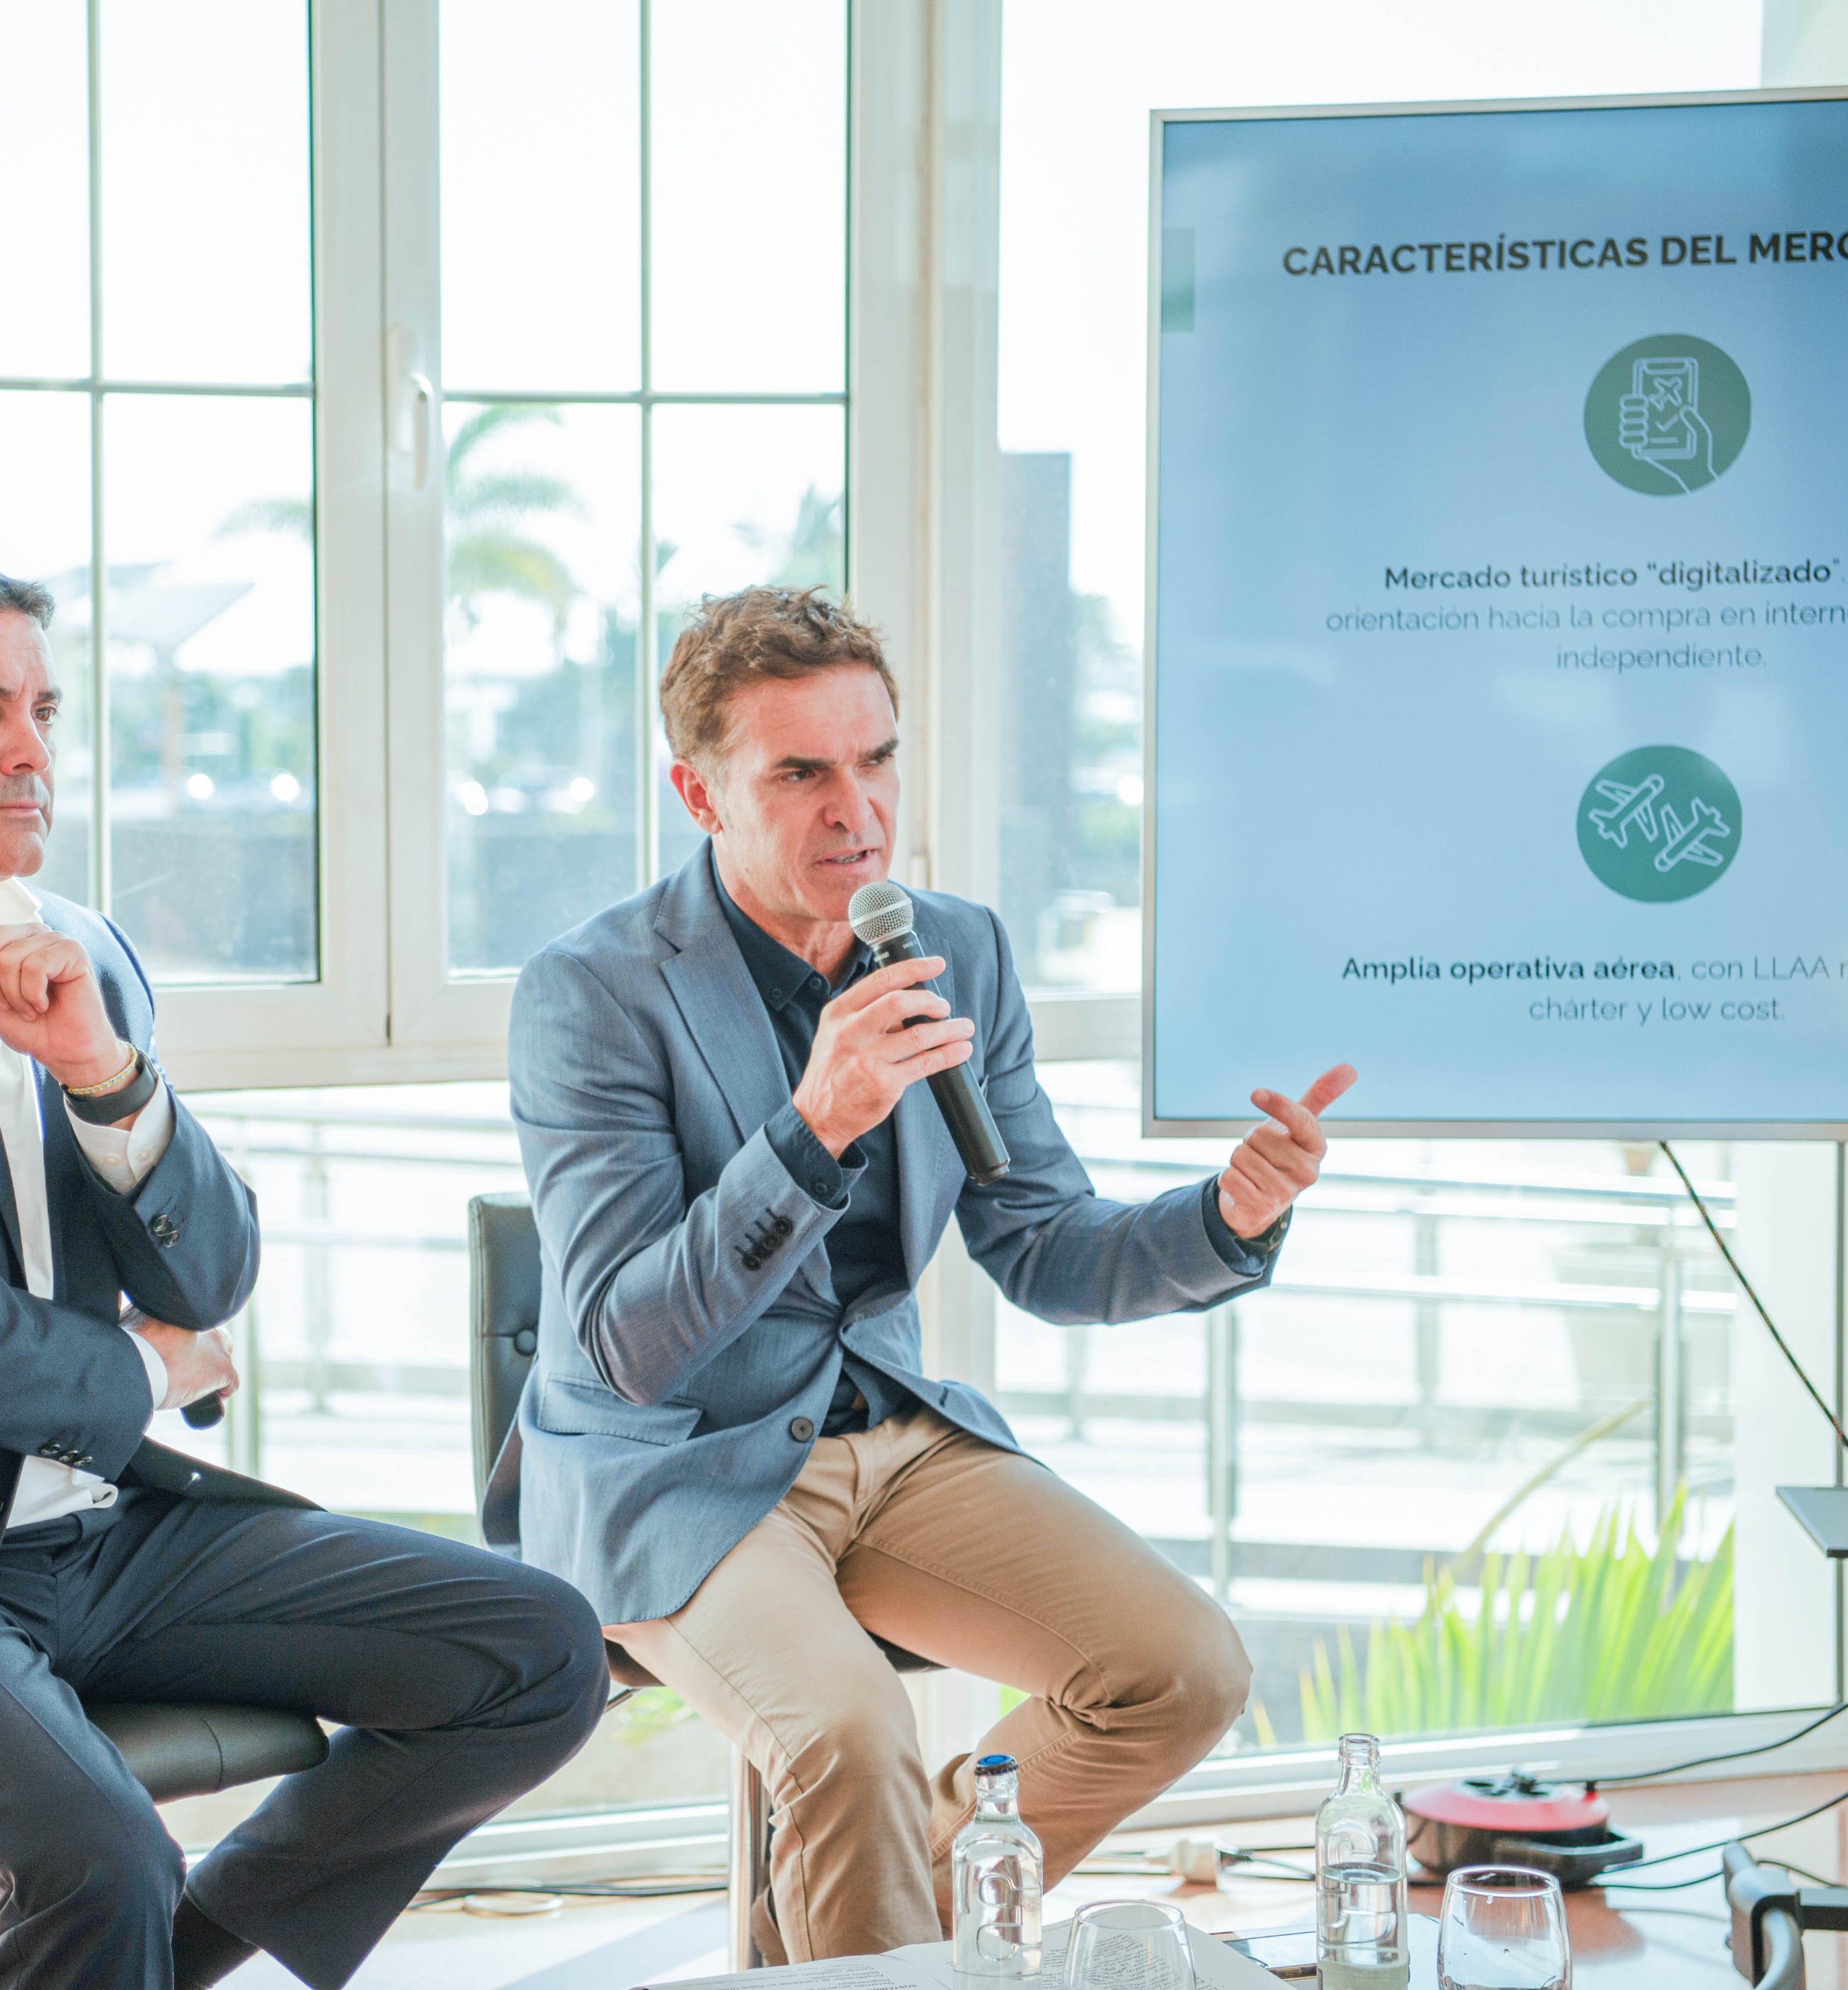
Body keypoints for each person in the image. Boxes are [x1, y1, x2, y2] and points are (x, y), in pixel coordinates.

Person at [0, 559, 606, 1990]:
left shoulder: (76, 949)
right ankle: (110, 1945)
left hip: (97, 1533)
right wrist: (145, 1367)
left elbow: (220, 1263)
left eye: (42, 708)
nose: (29, 748)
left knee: (538, 1651)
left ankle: (149, 1966)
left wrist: (104, 1072)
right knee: (94, 1856)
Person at [489, 584, 1356, 1965]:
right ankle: (880, 1925)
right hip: (670, 1461)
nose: (861, 811)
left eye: (878, 758)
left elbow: (1045, 1245)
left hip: (881, 1431)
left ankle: (878, 1919)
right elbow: (628, 1342)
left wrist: (1225, 1217)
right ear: (696, 790)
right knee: (848, 1734)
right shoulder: (591, 989)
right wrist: (811, 1128)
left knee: (1184, 1668)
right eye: (802, 773)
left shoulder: (954, 946)